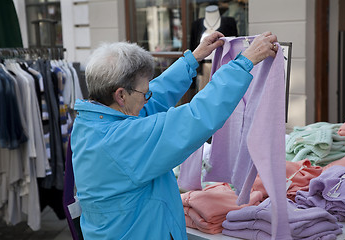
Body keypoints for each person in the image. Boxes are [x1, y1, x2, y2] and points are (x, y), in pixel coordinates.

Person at [70, 31, 278, 239]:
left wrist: (192, 60)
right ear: (121, 95)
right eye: (144, 93)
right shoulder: (119, 140)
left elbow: (154, 97)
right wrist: (243, 64)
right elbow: (196, 118)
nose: (147, 98)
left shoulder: (93, 121)